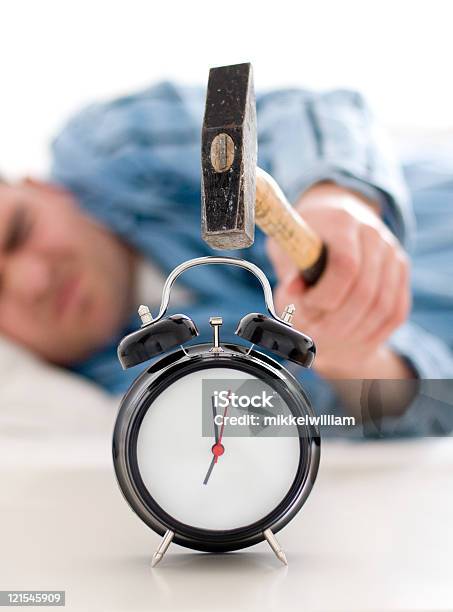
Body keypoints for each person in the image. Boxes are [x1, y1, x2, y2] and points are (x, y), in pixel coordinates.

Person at [0, 82, 452, 433]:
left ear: (39, 188)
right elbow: (401, 412)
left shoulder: (109, 145)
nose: (34, 280)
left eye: (18, 232)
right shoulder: (140, 399)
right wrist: (356, 362)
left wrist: (334, 195)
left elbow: (297, 115)